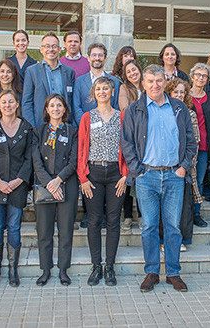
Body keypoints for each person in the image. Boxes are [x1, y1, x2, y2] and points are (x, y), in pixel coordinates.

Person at [121, 64, 196, 293]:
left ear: (166, 82)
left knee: (173, 227)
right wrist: (137, 170)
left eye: (159, 81)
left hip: (174, 175)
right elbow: (127, 144)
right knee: (149, 227)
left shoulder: (179, 108)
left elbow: (191, 142)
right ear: (143, 84)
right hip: (147, 177)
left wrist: (183, 167)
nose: (155, 85)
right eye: (150, 81)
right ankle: (152, 272)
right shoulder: (135, 109)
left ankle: (173, 272)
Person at [78, 77, 129, 286]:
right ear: (93, 93)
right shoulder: (86, 117)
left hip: (116, 175)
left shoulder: (122, 117)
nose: (102, 92)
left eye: (105, 88)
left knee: (113, 220)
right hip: (94, 174)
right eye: (98, 88)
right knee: (94, 220)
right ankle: (96, 266)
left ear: (112, 91)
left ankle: (110, 267)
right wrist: (83, 177)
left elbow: (128, 146)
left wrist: (126, 175)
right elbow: (81, 149)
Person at [0, 89, 33, 288]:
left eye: (11, 102)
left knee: (14, 226)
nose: (8, 105)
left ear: (17, 104)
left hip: (17, 186)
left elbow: (29, 158)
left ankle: (13, 270)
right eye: (4, 102)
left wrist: (18, 181)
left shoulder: (26, 127)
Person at [32, 94, 79, 286]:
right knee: (44, 230)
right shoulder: (38, 131)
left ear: (64, 109)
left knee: (66, 230)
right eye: (52, 105)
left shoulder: (72, 131)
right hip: (45, 187)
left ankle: (63, 269)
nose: (56, 109)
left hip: (67, 185)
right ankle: (45, 269)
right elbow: (36, 160)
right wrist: (49, 183)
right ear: (47, 109)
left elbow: (74, 160)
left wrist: (59, 180)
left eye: (59, 105)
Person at [166, 78, 204, 249]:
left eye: (182, 92)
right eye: (176, 92)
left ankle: (181, 240)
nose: (179, 95)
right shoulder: (163, 111)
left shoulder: (190, 113)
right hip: (164, 166)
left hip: (183, 167)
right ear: (169, 93)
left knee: (182, 207)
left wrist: (185, 166)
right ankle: (164, 240)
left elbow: (194, 142)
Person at [21, 32, 76, 127]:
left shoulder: (69, 72)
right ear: (41, 49)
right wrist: (31, 127)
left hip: (64, 125)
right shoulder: (32, 71)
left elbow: (71, 101)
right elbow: (27, 102)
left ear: (59, 49)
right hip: (40, 126)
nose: (51, 49)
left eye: (54, 46)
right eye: (47, 46)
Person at [117, 59, 144, 231]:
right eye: (128, 72)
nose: (132, 73)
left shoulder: (148, 85)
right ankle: (127, 216)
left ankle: (142, 215)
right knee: (128, 174)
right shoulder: (124, 88)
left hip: (146, 139)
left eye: (134, 69)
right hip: (130, 136)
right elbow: (124, 109)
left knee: (143, 177)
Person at [72, 42, 121, 125]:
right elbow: (76, 107)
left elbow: (116, 106)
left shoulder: (114, 81)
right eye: (94, 55)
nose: (97, 58)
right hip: (85, 128)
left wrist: (107, 126)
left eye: (100, 55)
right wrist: (86, 126)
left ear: (105, 58)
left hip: (108, 129)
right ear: (88, 58)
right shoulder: (79, 81)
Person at [188, 63, 210, 224]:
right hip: (187, 146)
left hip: (204, 145)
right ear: (192, 76)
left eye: (204, 76)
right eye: (198, 74)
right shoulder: (184, 95)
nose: (200, 78)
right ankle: (186, 213)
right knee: (187, 179)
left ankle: (196, 213)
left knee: (200, 179)